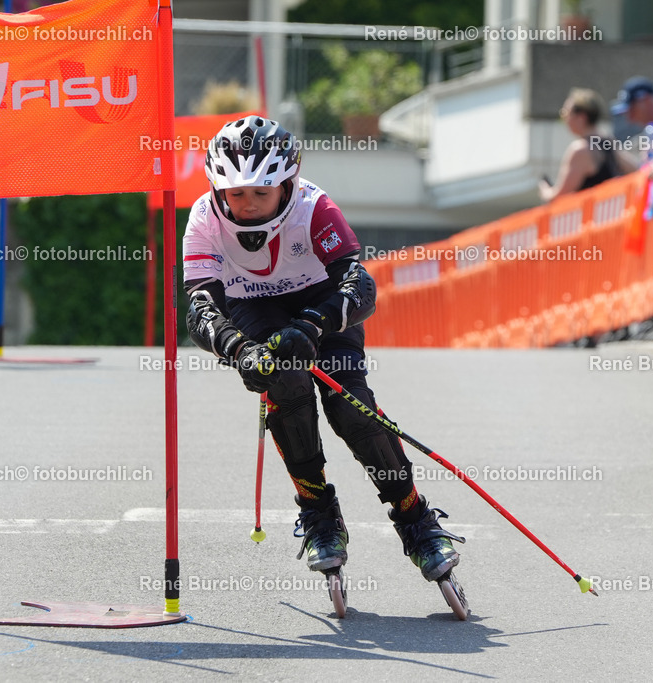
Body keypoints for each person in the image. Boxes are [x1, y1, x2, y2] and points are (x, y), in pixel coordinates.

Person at [183, 115, 464, 586]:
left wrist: (313, 325)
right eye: (237, 194)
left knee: (350, 409)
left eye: (261, 193)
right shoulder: (204, 218)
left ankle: (415, 517)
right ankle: (318, 512)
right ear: (218, 189)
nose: (248, 205)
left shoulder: (313, 206)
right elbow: (198, 306)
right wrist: (239, 351)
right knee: (285, 386)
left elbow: (361, 286)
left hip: (321, 304)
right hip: (254, 308)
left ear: (287, 184)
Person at [539, 88, 638, 202]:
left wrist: (545, 191)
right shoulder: (608, 142)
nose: (564, 118)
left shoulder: (580, 150)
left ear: (581, 117)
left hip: (592, 217)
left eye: (566, 113)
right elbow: (635, 169)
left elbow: (560, 196)